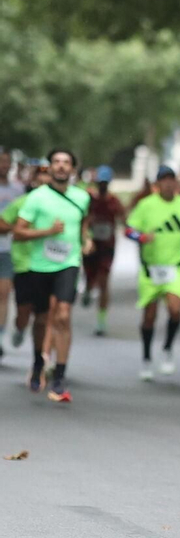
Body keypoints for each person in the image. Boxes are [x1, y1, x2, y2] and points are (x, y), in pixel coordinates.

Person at [11, 148, 94, 402]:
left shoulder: (82, 197)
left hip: (68, 263)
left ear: (72, 169)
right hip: (39, 265)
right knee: (41, 319)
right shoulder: (36, 197)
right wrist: (47, 232)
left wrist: (86, 240)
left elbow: (83, 224)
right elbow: (18, 233)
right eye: (56, 162)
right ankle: (38, 361)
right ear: (49, 167)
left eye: (66, 162)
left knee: (63, 314)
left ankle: (59, 375)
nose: (61, 166)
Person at [124, 166, 180, 379]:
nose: (169, 184)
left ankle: (167, 348)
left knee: (175, 310)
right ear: (157, 184)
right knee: (149, 317)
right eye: (164, 180)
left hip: (177, 267)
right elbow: (128, 230)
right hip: (152, 269)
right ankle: (146, 358)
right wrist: (142, 237)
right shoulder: (146, 205)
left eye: (172, 179)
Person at [0, 161, 50, 362]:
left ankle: (44, 359)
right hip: (24, 263)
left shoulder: (63, 203)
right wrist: (21, 230)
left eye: (47, 175)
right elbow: (3, 224)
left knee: (47, 314)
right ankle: (20, 328)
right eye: (40, 175)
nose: (44, 179)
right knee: (24, 312)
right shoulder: (24, 201)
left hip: (51, 265)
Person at [82, 166, 126, 335]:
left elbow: (124, 217)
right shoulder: (89, 199)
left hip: (107, 246)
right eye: (100, 182)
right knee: (90, 276)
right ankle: (87, 289)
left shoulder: (114, 201)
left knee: (104, 281)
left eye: (105, 183)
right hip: (91, 245)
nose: (102, 186)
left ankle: (101, 320)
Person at [0, 150, 23, 363]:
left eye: (7, 161)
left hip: (8, 249)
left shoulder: (18, 190)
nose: (4, 165)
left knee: (4, 294)